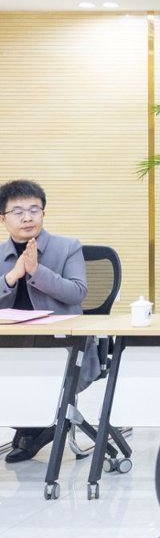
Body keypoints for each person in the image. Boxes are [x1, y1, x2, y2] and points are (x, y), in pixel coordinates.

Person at [1, 179, 87, 463]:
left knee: (31, 369)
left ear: (43, 214)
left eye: (34, 210)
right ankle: (29, 426)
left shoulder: (68, 247)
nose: (27, 217)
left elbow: (77, 291)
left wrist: (37, 272)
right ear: (3, 219)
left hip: (62, 344)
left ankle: (34, 428)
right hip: (10, 346)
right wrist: (11, 277)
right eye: (18, 211)